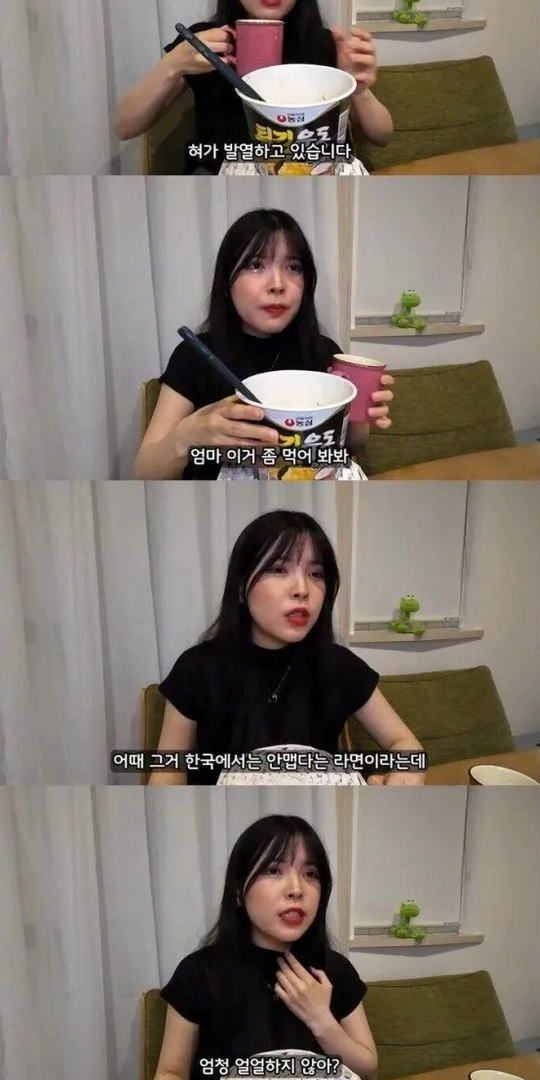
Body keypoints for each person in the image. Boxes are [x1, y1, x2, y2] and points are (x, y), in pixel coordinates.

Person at [149, 510, 425, 785]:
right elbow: (167, 774)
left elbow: (405, 745)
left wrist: (405, 774)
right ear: (242, 586)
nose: (302, 589)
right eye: (279, 570)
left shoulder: (340, 665)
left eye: (316, 573)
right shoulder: (197, 668)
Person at [133, 209, 394, 481]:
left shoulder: (323, 351)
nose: (278, 285)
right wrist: (186, 437)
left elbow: (351, 448)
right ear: (227, 283)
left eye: (293, 267)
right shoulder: (195, 356)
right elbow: (143, 474)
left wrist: (358, 414)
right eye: (256, 265)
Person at [156, 815, 378, 1080]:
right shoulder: (199, 972)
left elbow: (368, 1071)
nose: (296, 889)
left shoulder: (334, 969)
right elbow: (170, 1072)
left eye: (310, 874)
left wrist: (322, 1021)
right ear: (239, 890)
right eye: (273, 870)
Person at [116, 0, 393, 175]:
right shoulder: (206, 42)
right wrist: (172, 65)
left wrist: (356, 87)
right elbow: (125, 126)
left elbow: (382, 134)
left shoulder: (325, 43)